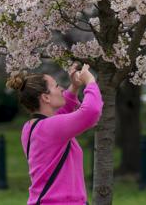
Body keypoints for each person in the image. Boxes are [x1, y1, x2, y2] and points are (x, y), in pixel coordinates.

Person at [7, 63, 103, 205]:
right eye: (57, 86)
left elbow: (61, 115)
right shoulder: (50, 128)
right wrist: (90, 81)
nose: (62, 89)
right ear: (46, 98)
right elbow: (91, 112)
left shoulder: (30, 128)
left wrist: (75, 87)